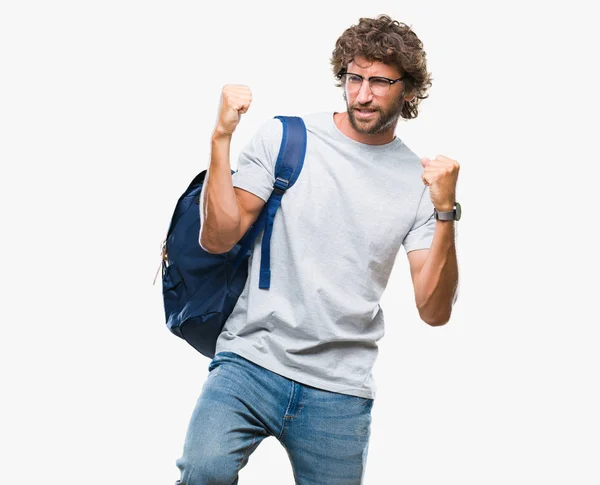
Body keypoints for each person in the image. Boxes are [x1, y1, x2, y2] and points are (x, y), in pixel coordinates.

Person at [175, 13, 460, 485]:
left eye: (380, 82)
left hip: (339, 388)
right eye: (354, 78)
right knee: (203, 471)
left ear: (408, 91)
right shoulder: (287, 137)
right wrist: (221, 137)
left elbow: (434, 310)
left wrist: (446, 212)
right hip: (251, 359)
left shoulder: (418, 183)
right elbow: (218, 237)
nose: (362, 94)